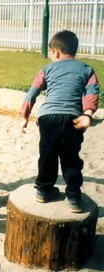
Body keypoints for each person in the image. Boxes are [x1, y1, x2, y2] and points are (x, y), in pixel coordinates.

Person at [21, 30, 100, 213]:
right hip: (73, 118)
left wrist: (25, 115)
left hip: (47, 118)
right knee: (70, 157)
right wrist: (87, 114)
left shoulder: (47, 69)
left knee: (47, 154)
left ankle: (43, 190)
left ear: (55, 52)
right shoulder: (87, 69)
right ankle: (73, 196)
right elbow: (92, 92)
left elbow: (32, 93)